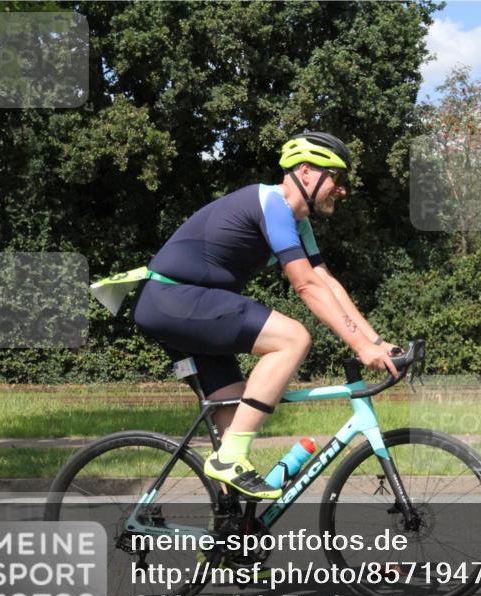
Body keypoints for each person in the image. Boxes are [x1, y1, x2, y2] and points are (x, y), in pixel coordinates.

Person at [132, 132, 398, 500]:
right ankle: (230, 460)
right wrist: (359, 345)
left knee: (233, 423)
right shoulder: (272, 203)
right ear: (306, 172)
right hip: (174, 297)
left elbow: (326, 282)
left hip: (186, 304)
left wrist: (375, 343)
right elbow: (305, 285)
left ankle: (226, 544)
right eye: (337, 178)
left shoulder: (296, 221)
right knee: (292, 338)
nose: (342, 190)